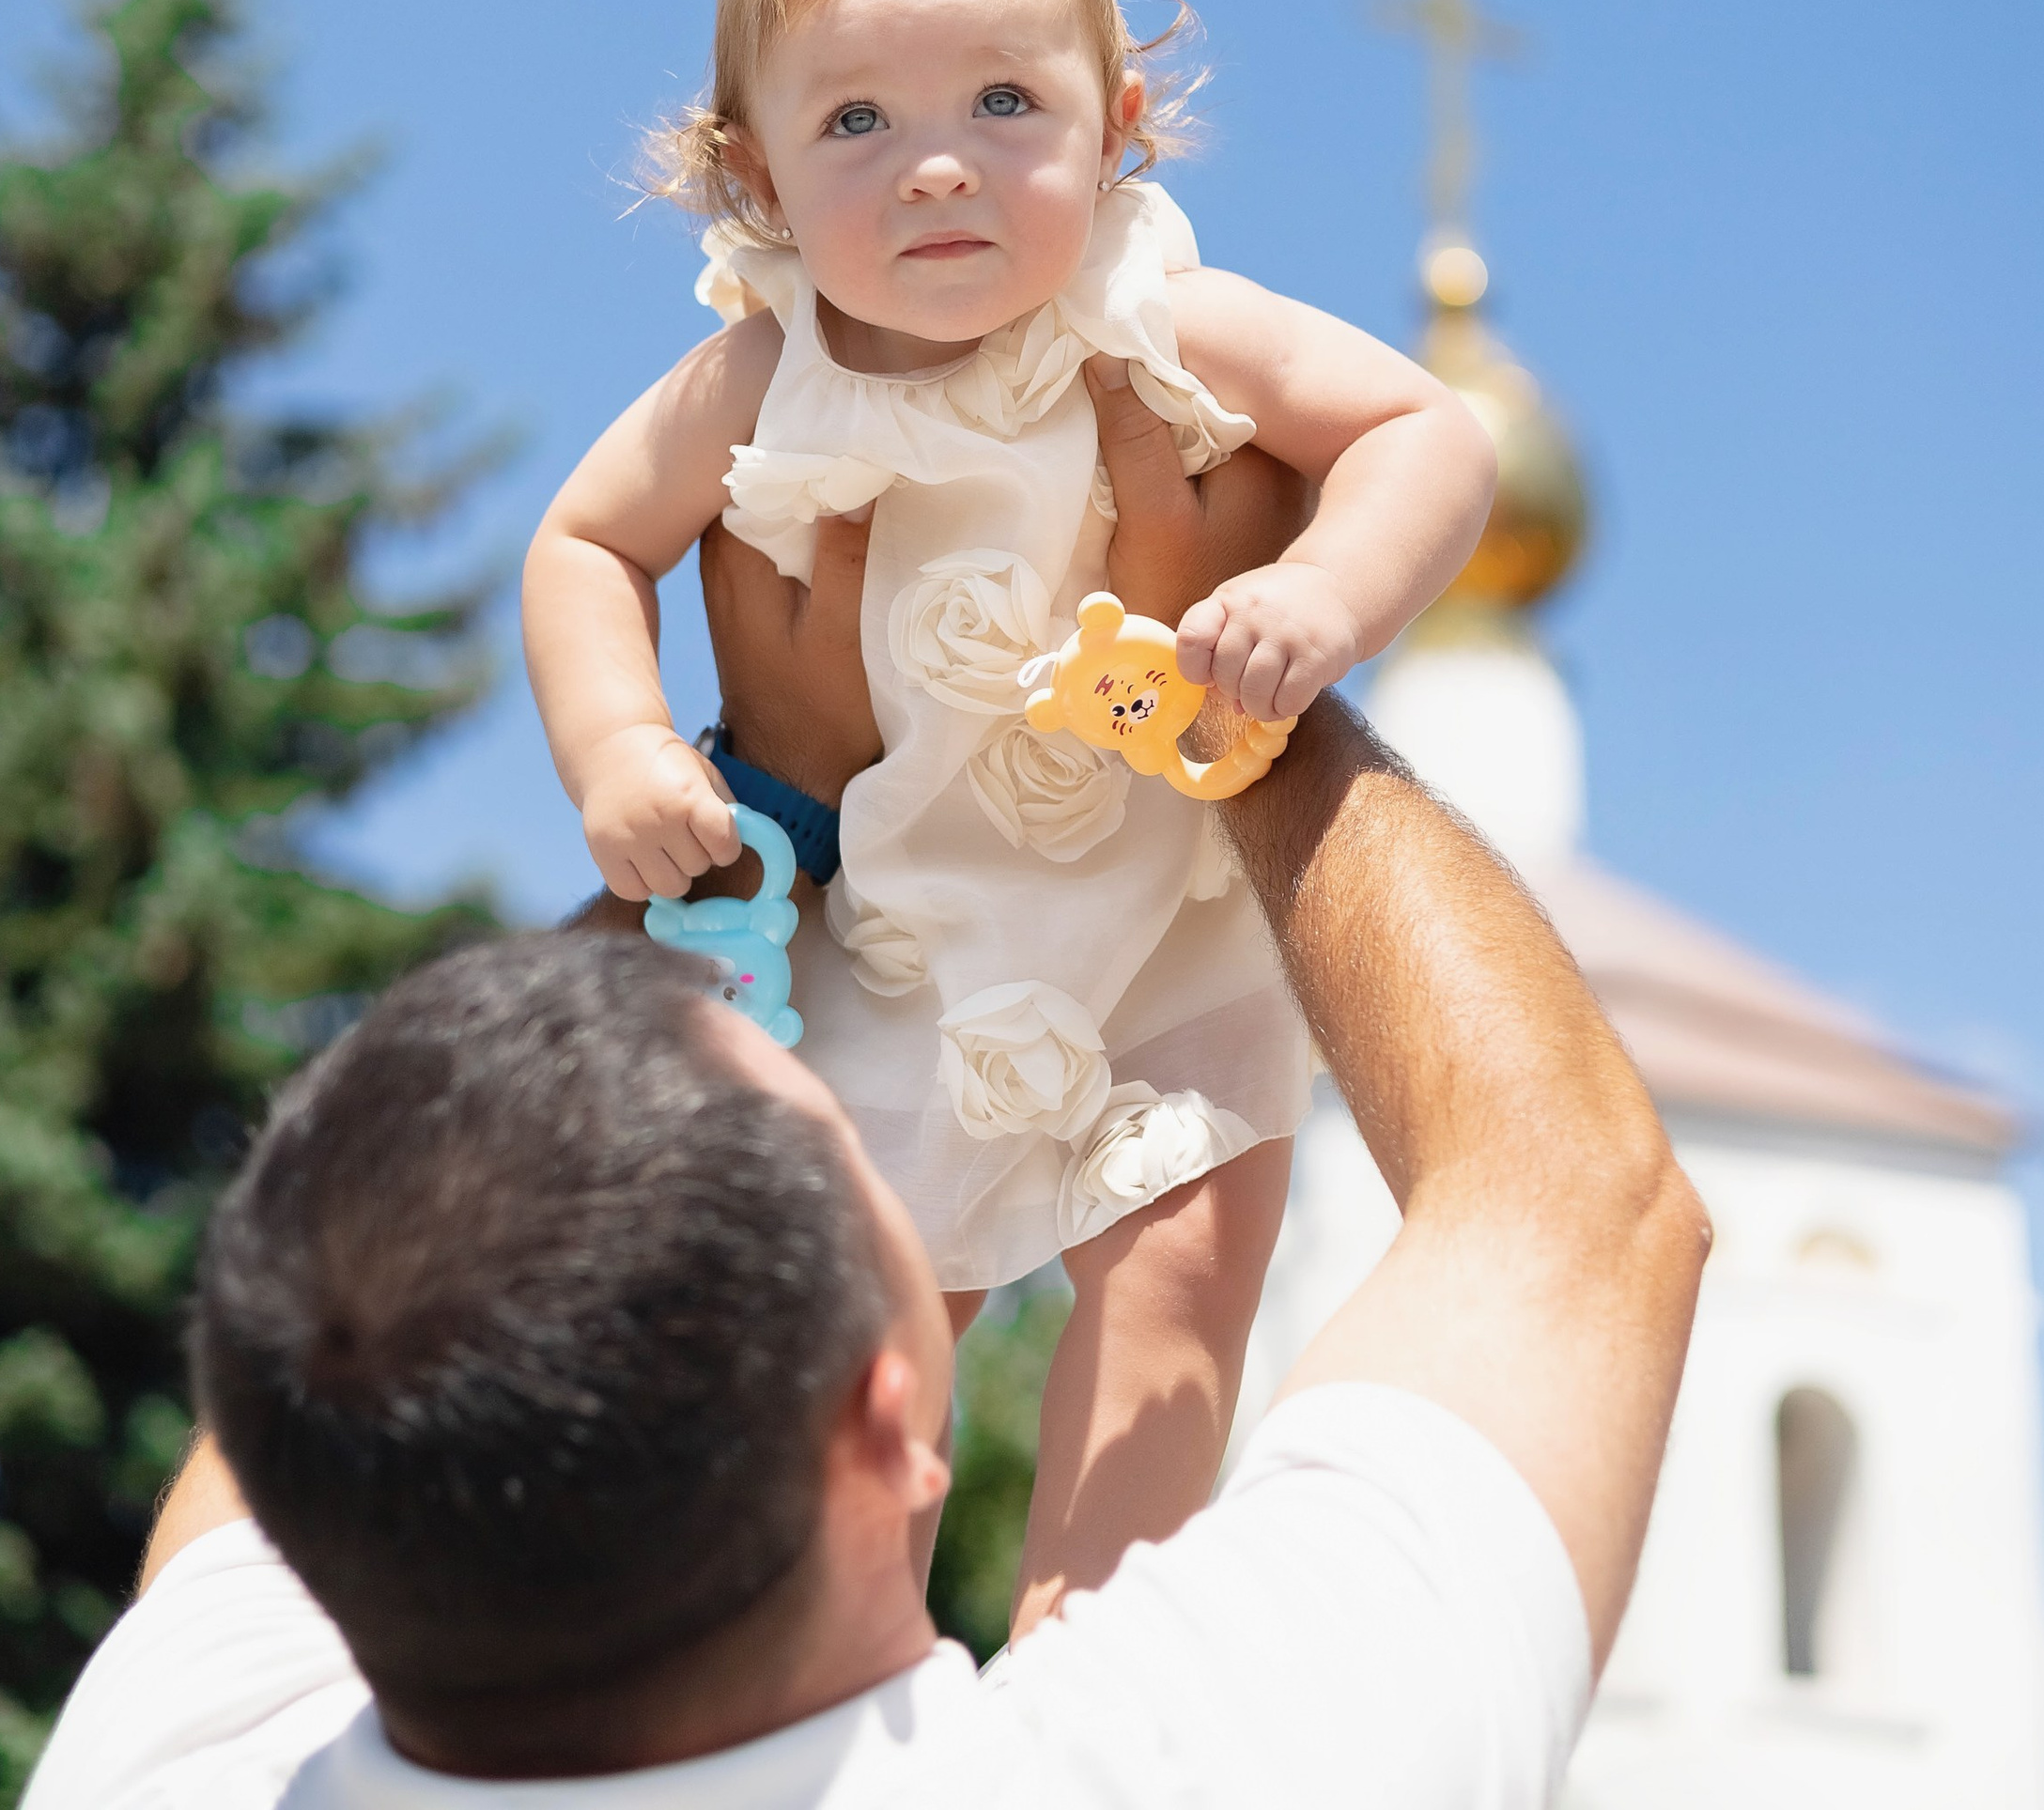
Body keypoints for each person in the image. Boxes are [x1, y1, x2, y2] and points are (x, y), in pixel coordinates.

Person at [27, 386, 1710, 1810]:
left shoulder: (197, 1747)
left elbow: (381, 1258)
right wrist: (1231, 718)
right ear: (887, 1424)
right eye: (834, 1121)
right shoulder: (1178, 1759)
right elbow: (1572, 1204)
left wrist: (760, 803)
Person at [519, 0, 1496, 1635]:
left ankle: (1080, 1661)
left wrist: (1322, 593)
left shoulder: (1158, 318)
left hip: (1163, 933)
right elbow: (585, 538)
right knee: (863, 1337)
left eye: (1002, 106)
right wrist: (618, 748)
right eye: (856, 122)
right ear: (752, 176)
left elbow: (1423, 434)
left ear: (1115, 119)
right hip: (907, 938)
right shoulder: (762, 364)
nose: (937, 171)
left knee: (1178, 1288)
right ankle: (830, 1668)